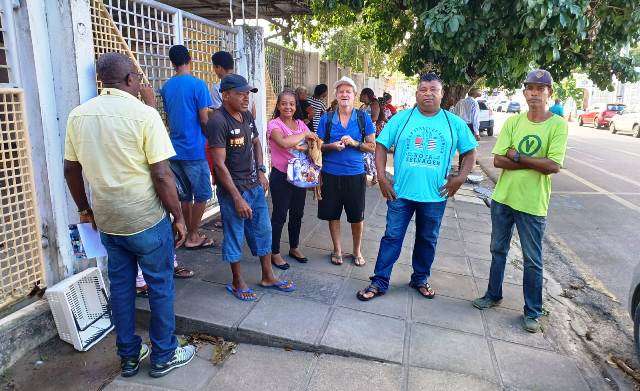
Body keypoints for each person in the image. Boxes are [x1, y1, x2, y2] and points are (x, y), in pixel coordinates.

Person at [64, 53, 196, 378]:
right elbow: (163, 175)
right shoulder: (144, 115)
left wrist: (85, 209)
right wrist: (178, 217)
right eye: (138, 79)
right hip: (147, 219)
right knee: (160, 285)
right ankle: (164, 354)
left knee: (121, 288)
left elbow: (70, 170)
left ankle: (129, 356)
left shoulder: (78, 116)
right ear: (129, 80)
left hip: (108, 220)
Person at [356, 72, 478, 301]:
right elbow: (381, 146)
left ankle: (420, 278)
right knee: (392, 237)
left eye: (433, 89)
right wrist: (381, 177)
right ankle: (379, 281)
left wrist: (460, 178)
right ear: (416, 94)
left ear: (442, 94)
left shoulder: (454, 124)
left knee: (427, 239)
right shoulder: (402, 119)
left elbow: (470, 152)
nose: (428, 94)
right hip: (400, 193)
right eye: (423, 89)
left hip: (435, 196)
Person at [472, 69, 568, 333]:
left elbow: (552, 166)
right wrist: (529, 162)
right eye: (530, 88)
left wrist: (518, 157)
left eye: (540, 88)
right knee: (497, 250)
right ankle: (493, 294)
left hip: (532, 203)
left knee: (532, 259)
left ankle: (532, 311)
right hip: (504, 198)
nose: (534, 93)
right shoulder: (514, 122)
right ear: (524, 92)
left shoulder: (557, 125)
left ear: (549, 92)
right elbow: (498, 160)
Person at [207, 74, 296, 301]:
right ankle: (237, 282)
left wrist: (261, 170)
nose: (246, 98)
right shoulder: (218, 121)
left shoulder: (246, 115)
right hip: (233, 191)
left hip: (254, 186)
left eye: (248, 93)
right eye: (240, 93)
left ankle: (268, 276)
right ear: (225, 95)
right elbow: (218, 163)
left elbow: (256, 142)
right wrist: (237, 198)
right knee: (235, 235)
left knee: (263, 231)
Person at [317, 76, 376, 267]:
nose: (344, 94)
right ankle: (337, 249)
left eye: (348, 91)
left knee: (356, 216)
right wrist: (331, 146)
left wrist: (355, 143)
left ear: (354, 95)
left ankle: (357, 250)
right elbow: (316, 147)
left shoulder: (362, 117)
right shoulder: (326, 118)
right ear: (336, 95)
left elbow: (372, 146)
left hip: (355, 174)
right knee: (333, 214)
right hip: (330, 174)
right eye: (341, 91)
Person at [161, 45, 215, 252]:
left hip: (174, 149)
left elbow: (169, 116)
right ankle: (193, 235)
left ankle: (184, 232)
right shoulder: (198, 85)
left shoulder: (166, 87)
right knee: (202, 195)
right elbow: (203, 118)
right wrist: (212, 137)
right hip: (194, 149)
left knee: (184, 195)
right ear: (190, 59)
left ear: (172, 63)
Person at [267, 90, 316, 270]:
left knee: (297, 213)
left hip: (300, 175)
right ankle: (275, 252)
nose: (288, 107)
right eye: (284, 103)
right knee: (279, 215)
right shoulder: (274, 124)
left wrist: (297, 141)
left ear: (296, 107)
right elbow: (283, 143)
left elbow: (313, 143)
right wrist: (301, 139)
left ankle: (294, 247)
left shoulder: (300, 124)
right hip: (281, 175)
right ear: (278, 106)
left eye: (292, 104)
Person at [453, 88, 481, 171]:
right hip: (469, 126)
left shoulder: (460, 102)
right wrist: (477, 132)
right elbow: (475, 119)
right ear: (475, 94)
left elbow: (454, 113)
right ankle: (465, 168)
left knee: (462, 147)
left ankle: (461, 166)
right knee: (469, 148)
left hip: (459, 125)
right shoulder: (474, 103)